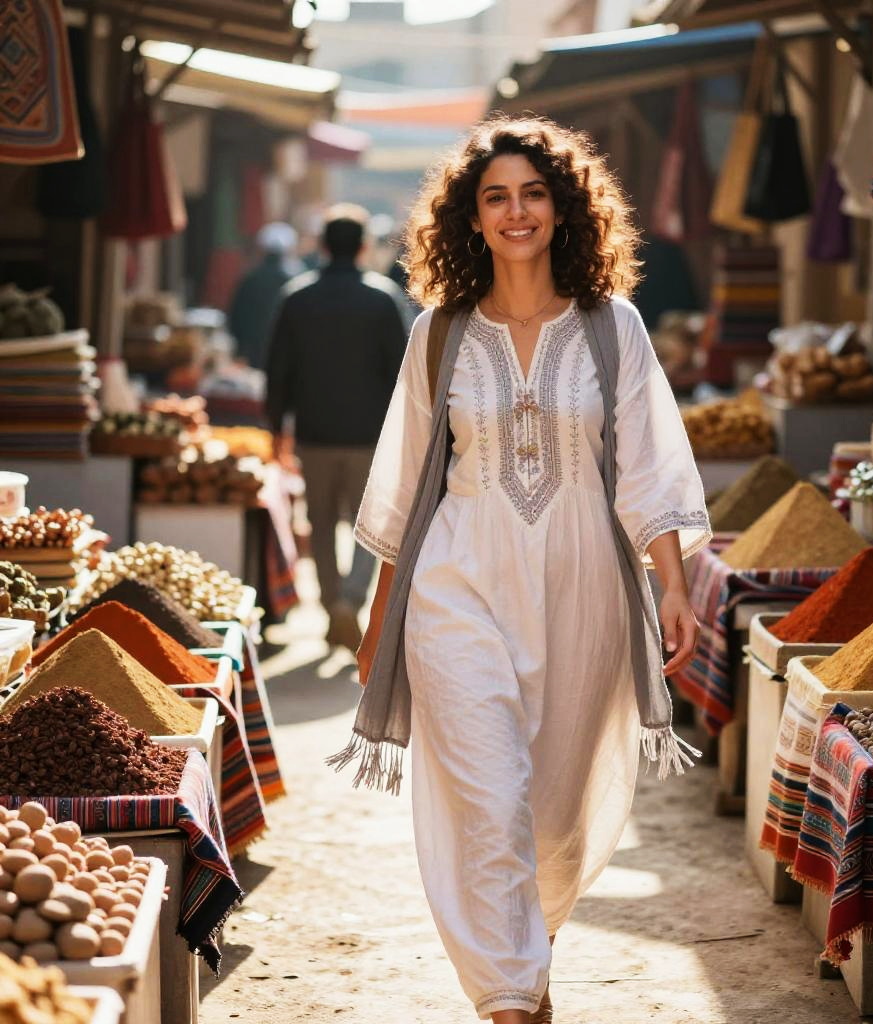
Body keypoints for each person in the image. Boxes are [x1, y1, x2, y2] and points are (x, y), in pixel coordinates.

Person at [333, 117, 710, 1023]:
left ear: (563, 207)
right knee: (490, 800)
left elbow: (653, 464)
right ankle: (508, 1001)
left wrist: (671, 585)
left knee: (551, 818)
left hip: (583, 595)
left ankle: (525, 969)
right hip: (458, 588)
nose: (515, 211)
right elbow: (405, 489)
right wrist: (380, 618)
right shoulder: (440, 333)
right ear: (469, 217)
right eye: (495, 196)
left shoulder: (612, 327)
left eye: (532, 193)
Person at [265, 204, 407, 650]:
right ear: (364, 246)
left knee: (321, 522)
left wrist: (275, 427)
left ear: (323, 246)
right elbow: (402, 372)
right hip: (371, 436)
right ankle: (350, 599)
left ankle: (332, 606)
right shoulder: (383, 298)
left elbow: (278, 369)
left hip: (314, 431)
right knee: (371, 525)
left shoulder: (297, 296)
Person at [228, 222, 302, 367]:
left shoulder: (250, 278)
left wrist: (241, 348)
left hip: (253, 352)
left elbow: (236, 316)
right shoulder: (294, 281)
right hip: (287, 352)